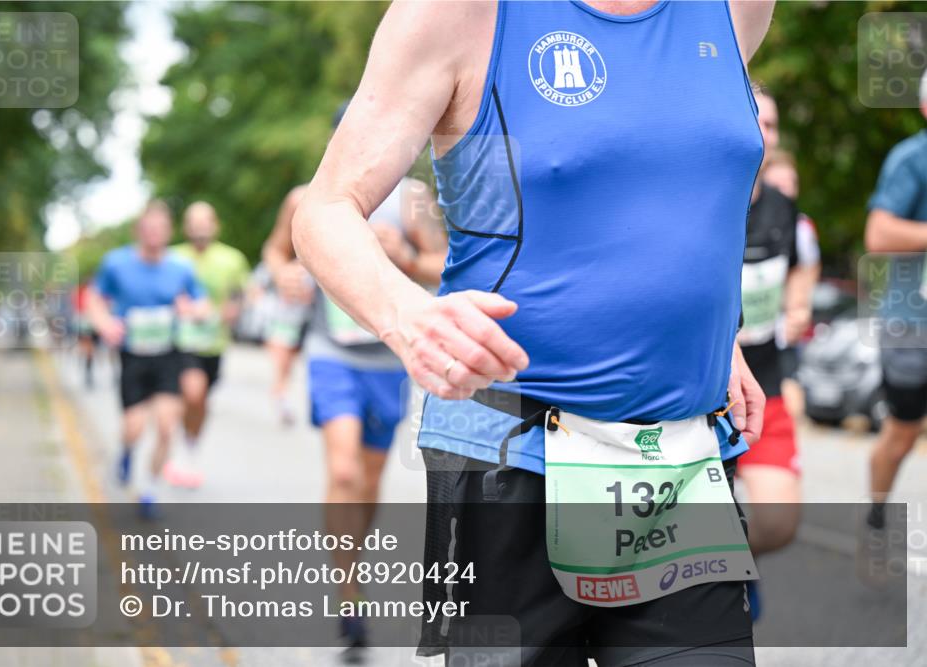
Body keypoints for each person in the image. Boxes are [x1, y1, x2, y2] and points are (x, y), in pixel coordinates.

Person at [292, 2, 774, 665]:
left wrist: (716, 333)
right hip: (510, 451)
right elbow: (324, 208)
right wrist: (408, 315)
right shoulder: (461, 14)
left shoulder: (736, 8)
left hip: (675, 457)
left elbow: (674, 172)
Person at [267, 101, 447, 657]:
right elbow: (275, 253)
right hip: (331, 353)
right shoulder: (308, 199)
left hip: (387, 359)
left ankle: (352, 565)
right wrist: (288, 274)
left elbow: (444, 263)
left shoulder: (411, 200)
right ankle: (347, 596)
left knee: (367, 483)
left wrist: (408, 261)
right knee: (342, 466)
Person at [735, 89, 814, 620]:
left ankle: (737, 565)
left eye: (773, 124)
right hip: (693, 391)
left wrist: (799, 303)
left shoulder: (786, 210)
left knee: (779, 522)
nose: (766, 133)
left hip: (763, 383)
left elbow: (804, 262)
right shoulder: (700, 199)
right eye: (755, 120)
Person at [87, 200, 207, 518]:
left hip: (168, 355)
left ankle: (150, 490)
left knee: (167, 427)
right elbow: (95, 299)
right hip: (132, 356)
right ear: (138, 231)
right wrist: (104, 323)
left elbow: (202, 304)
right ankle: (127, 451)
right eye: (148, 228)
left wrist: (191, 311)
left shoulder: (181, 267)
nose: (154, 234)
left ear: (168, 232)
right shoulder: (116, 263)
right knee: (134, 428)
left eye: (160, 228)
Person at [859, 69, 927, 574]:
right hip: (912, 324)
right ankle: (878, 511)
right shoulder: (911, 158)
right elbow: (878, 234)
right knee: (903, 434)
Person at [167, 202, 251, 488]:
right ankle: (178, 447)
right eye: (194, 222)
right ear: (186, 227)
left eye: (205, 221)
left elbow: (241, 293)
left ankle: (189, 446)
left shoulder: (232, 258)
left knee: (200, 400)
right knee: (192, 393)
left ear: (215, 225)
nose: (200, 227)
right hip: (179, 342)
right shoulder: (173, 257)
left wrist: (233, 309)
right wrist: (180, 306)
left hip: (214, 344)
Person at [762, 148, 822, 418]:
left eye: (791, 184)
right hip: (744, 334)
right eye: (778, 185)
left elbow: (808, 269)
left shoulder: (802, 226)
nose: (785, 192)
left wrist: (799, 308)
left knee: (789, 402)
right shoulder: (742, 221)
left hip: (781, 331)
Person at [262, 187, 315, 427]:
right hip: (295, 299)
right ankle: (281, 392)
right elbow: (274, 249)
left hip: (337, 309)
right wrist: (282, 273)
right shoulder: (299, 197)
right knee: (284, 353)